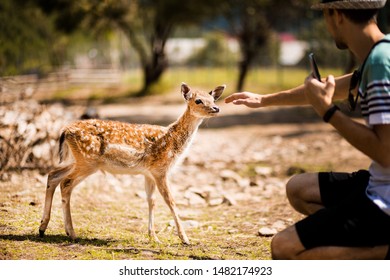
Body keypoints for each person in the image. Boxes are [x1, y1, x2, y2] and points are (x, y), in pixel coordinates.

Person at [225, 0, 390, 259]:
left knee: (283, 249)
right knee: (299, 189)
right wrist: (264, 100)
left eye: (324, 14)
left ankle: (380, 250)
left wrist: (328, 112)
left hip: (385, 197)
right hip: (378, 181)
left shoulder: (381, 63)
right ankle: (355, 235)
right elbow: (331, 88)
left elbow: (385, 152)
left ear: (335, 15)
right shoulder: (380, 54)